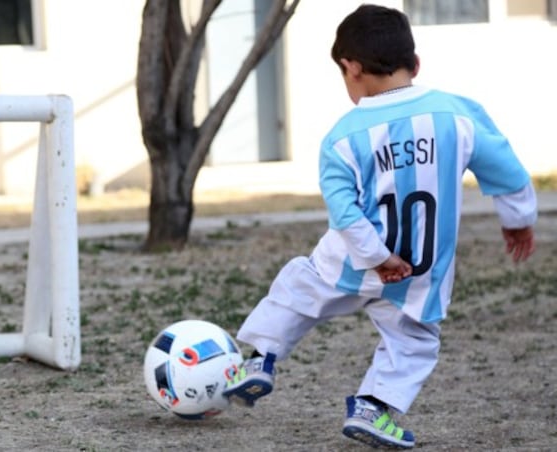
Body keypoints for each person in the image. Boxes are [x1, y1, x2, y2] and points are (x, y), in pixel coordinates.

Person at [221, 3, 538, 449]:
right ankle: (373, 407)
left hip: (350, 261)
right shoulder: (457, 116)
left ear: (350, 68)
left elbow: (345, 212)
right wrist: (518, 220)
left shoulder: (342, 137)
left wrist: (376, 257)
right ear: (416, 63)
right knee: (413, 343)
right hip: (418, 273)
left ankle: (260, 360)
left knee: (297, 289)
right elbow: (507, 170)